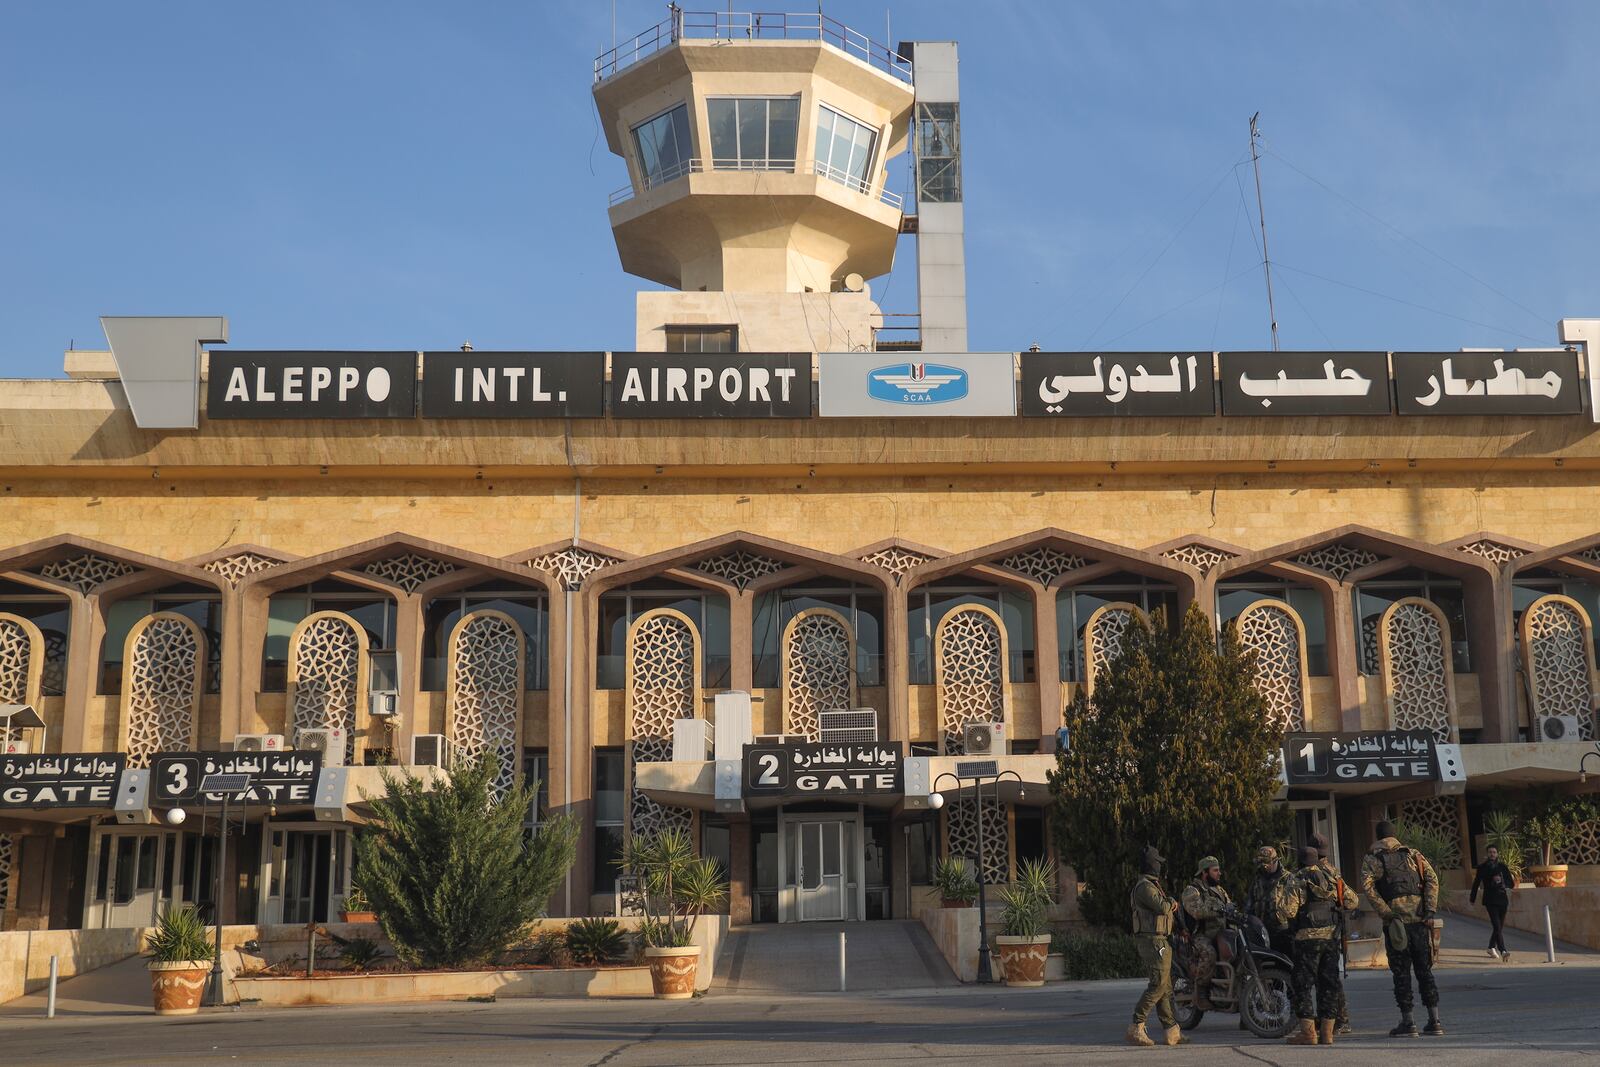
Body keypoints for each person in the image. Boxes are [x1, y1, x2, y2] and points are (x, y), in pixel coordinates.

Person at [1361, 819, 1443, 1037]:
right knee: (1424, 971)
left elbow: (1368, 889)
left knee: (1401, 974)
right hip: (1419, 922)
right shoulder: (1414, 855)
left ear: (1378, 838)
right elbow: (1432, 880)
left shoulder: (1373, 859)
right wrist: (1429, 911)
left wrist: (1386, 912)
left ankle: (1409, 1023)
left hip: (1396, 925)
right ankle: (1435, 1021)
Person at [1276, 844, 1360, 1045]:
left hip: (1307, 939)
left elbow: (1287, 910)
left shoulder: (1297, 879)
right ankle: (1327, 1033)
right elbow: (1353, 901)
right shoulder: (1332, 877)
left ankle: (1308, 1033)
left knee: (1302, 984)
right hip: (1331, 938)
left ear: (1301, 861)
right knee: (1328, 984)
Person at [1127, 845, 1188, 1047]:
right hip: (1152, 941)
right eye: (1157, 863)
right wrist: (1171, 901)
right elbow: (1162, 907)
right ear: (1150, 864)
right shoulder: (1144, 887)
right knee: (1158, 985)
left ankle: (1171, 1031)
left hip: (1160, 940)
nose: (1160, 867)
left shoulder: (1151, 885)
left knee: (1166, 987)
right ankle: (1137, 1025)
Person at [1310, 832, 1353, 1034]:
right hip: (1333, 932)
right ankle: (1337, 1019)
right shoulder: (1334, 872)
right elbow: (1352, 901)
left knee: (1324, 978)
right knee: (1330, 977)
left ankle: (1336, 1019)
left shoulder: (1309, 872)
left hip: (1318, 932)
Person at [1180, 856, 1232, 1012]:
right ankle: (1200, 991)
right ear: (1204, 873)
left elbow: (1230, 906)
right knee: (1209, 953)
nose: (1219, 873)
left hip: (1221, 933)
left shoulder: (1220, 890)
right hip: (1201, 935)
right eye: (1215, 870)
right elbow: (1196, 911)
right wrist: (1217, 910)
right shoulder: (1192, 890)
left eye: (1219, 870)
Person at [1244, 845, 1292, 958]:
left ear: (1275, 861)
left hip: (1283, 931)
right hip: (1261, 930)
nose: (1263, 867)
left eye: (1266, 863)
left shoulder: (1288, 879)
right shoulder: (1257, 878)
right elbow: (1250, 902)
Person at [1469, 844, 1515, 962]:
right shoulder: (1482, 867)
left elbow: (1511, 882)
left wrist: (1503, 884)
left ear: (1497, 854)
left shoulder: (1502, 867)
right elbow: (1476, 883)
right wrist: (1472, 899)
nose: (1492, 854)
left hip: (1502, 899)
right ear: (1487, 854)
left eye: (1494, 852)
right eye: (1490, 852)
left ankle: (1490, 947)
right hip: (1490, 900)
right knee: (1496, 925)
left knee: (1499, 926)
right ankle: (1503, 950)